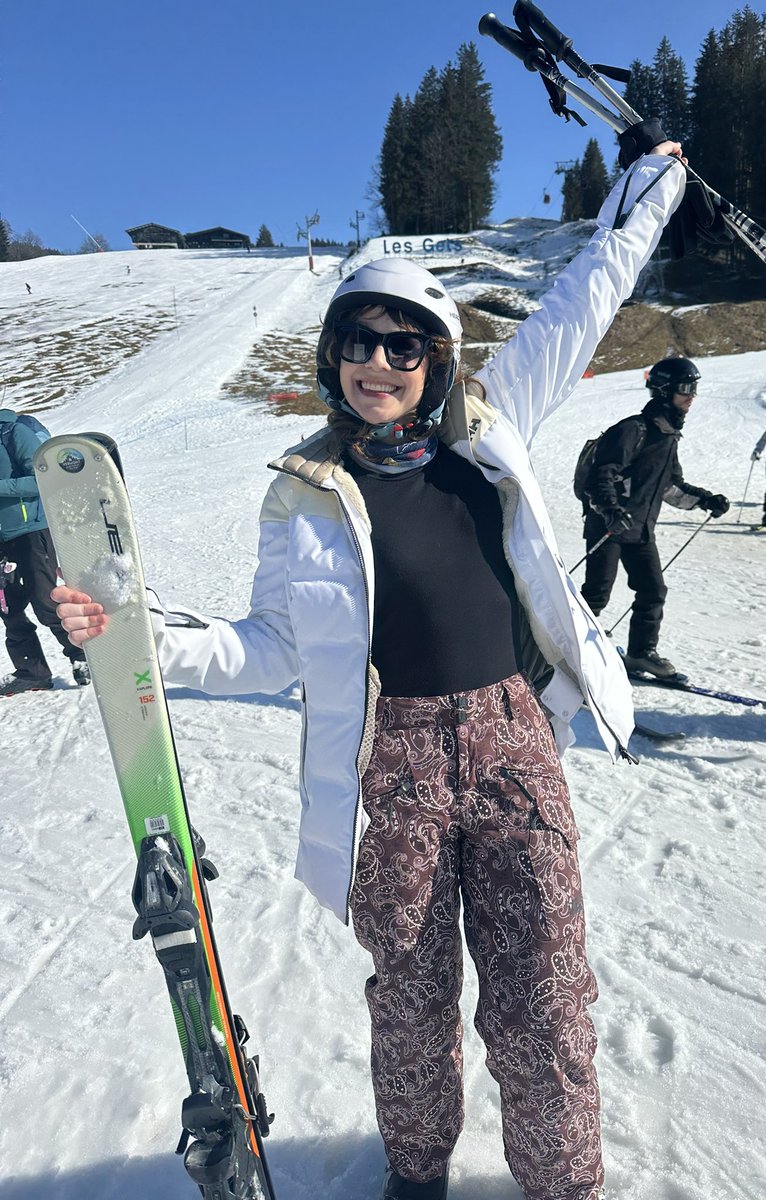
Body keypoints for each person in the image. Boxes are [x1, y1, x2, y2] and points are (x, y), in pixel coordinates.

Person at [54, 138, 688, 1200]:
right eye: (359, 340)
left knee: (543, 995)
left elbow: (587, 299)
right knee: (409, 998)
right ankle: (416, 1175)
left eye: (406, 345)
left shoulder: (493, 430)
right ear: (333, 355)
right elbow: (268, 647)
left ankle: (564, 1183)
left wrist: (651, 191)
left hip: (509, 741)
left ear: (438, 359)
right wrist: (133, 637)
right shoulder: (303, 494)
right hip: (390, 765)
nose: (380, 363)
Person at [579, 357, 730, 679]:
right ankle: (568, 655)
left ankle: (640, 654)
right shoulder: (634, 430)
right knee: (596, 594)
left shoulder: (667, 437)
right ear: (664, 391)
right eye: (686, 389)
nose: (692, 396)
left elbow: (670, 487)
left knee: (652, 591)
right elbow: (601, 477)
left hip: (639, 530)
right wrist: (610, 510)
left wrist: (705, 501)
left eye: (695, 389)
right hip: (608, 527)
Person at [0, 409, 90, 694]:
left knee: (45, 599)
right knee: (8, 607)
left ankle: (83, 657)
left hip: (31, 531)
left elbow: (44, 477)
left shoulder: (12, 432)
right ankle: (32, 671)